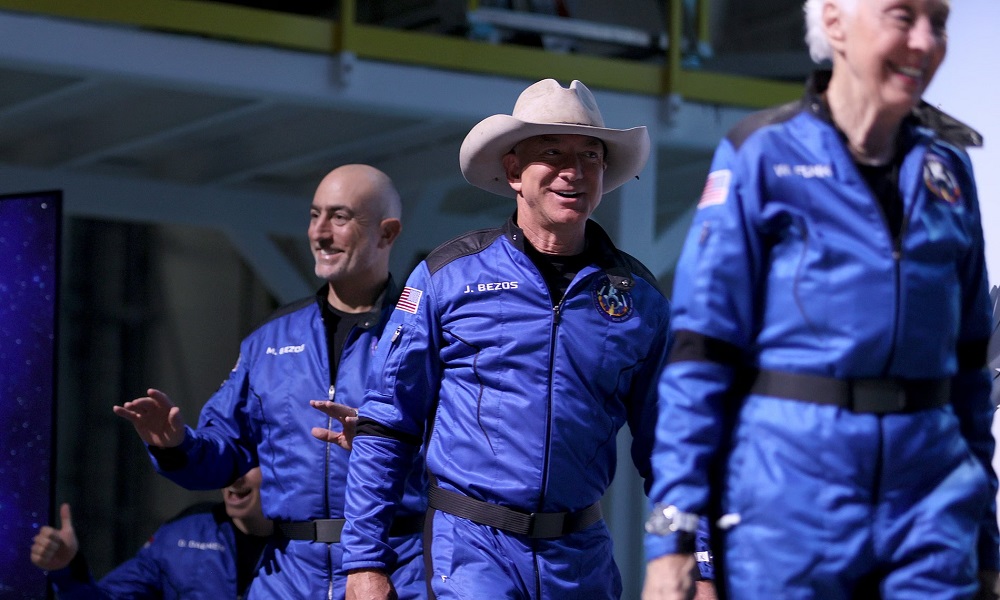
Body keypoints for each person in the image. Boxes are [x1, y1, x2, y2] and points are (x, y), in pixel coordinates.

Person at [643, 0, 1000, 598]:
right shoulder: (760, 154)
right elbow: (700, 354)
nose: (923, 41)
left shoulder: (950, 172)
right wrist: (676, 538)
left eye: (937, 23)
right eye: (901, 16)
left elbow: (970, 380)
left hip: (931, 509)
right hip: (790, 510)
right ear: (833, 22)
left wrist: (987, 543)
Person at [340, 78, 711, 600]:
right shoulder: (446, 276)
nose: (574, 171)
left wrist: (703, 562)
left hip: (582, 560)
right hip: (471, 552)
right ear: (514, 170)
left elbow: (673, 450)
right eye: (552, 152)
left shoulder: (641, 300)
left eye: (590, 155)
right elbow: (388, 422)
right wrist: (364, 564)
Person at [112, 164, 427, 599]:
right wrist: (175, 446)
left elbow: (464, 450)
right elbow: (228, 450)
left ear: (387, 233)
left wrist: (384, 444)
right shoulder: (270, 339)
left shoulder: (421, 334)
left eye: (339, 217)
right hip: (289, 577)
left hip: (394, 570)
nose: (319, 233)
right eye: (314, 215)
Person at [30, 467, 271, 599]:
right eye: (230, 462)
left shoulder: (305, 540)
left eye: (250, 464)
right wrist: (67, 569)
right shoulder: (182, 532)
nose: (235, 476)